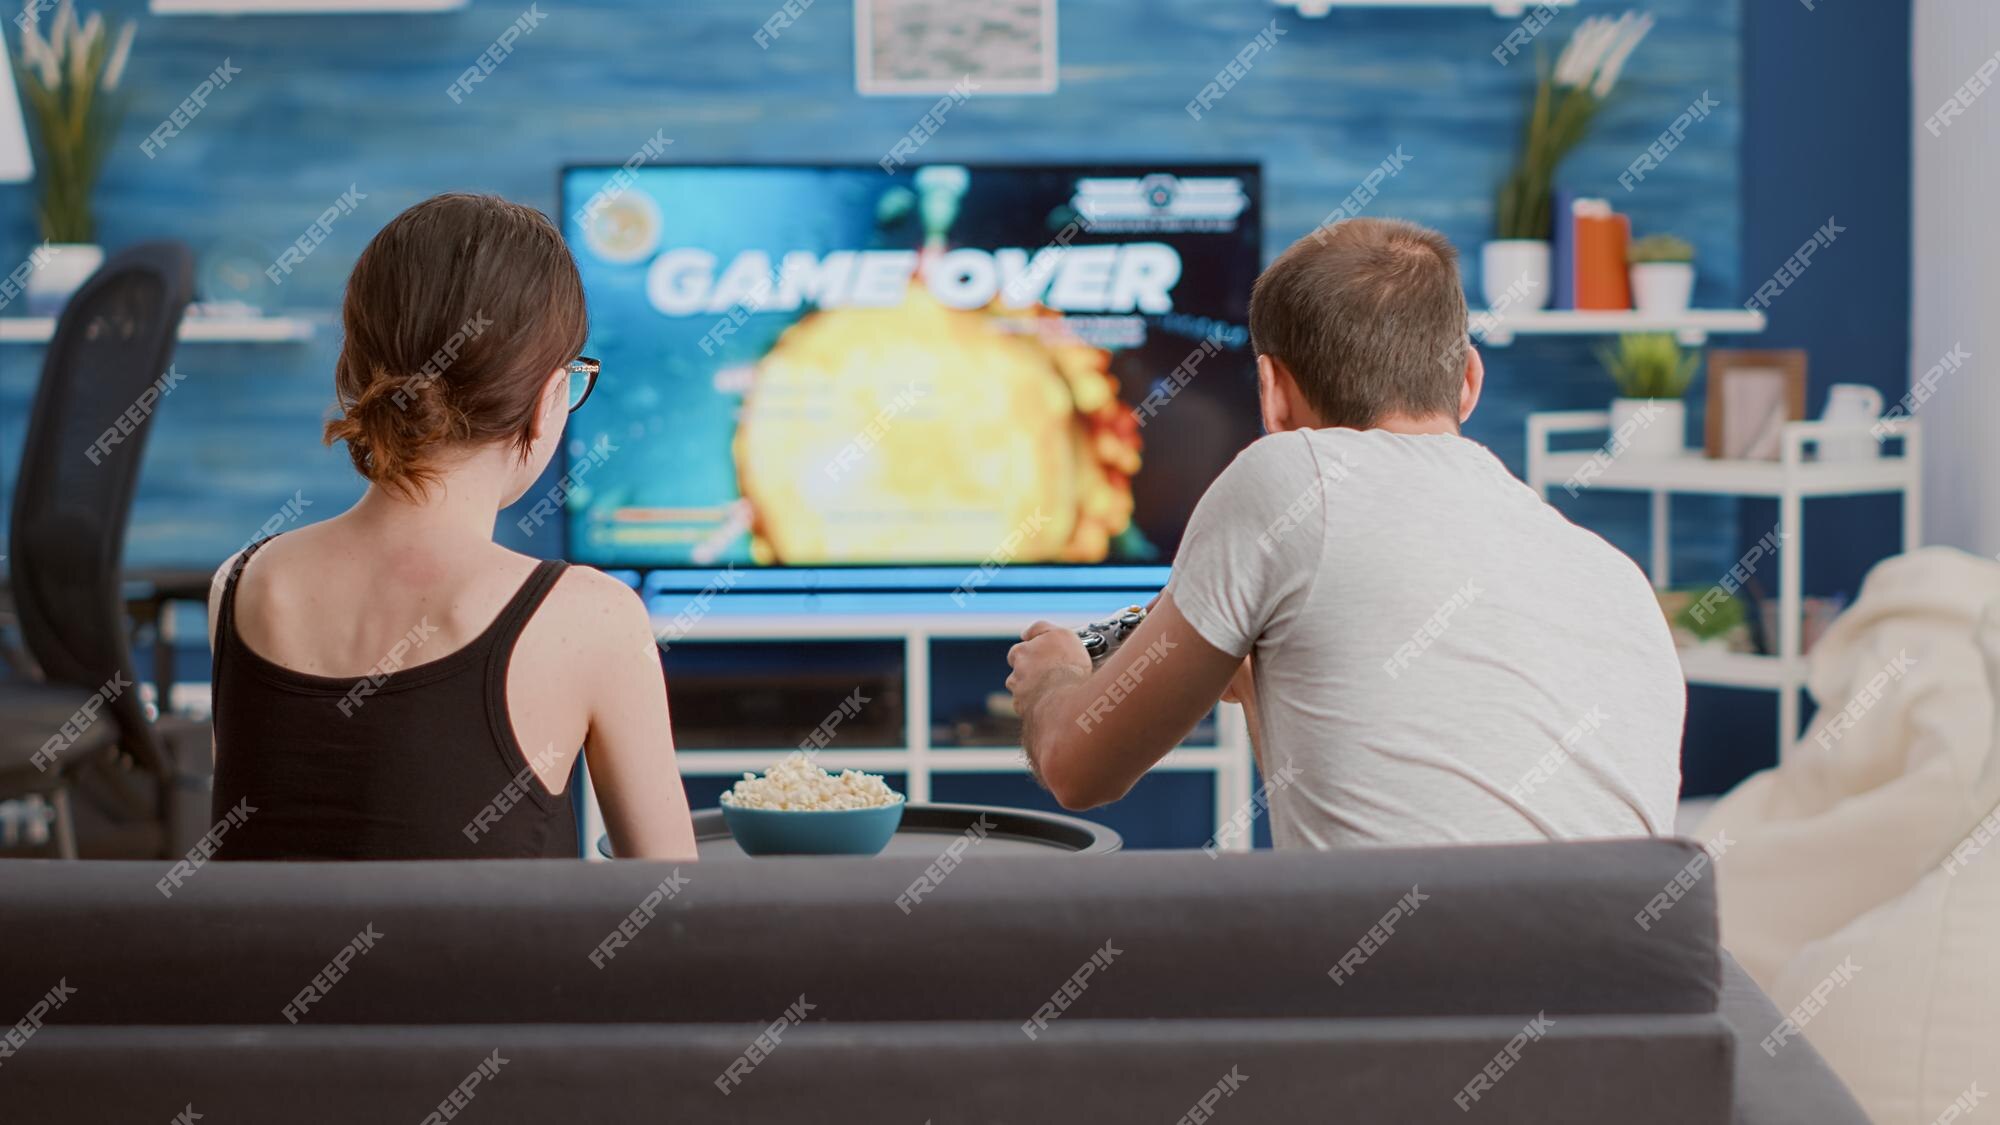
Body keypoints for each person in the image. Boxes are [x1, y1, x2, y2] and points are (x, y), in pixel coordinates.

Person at [1006, 218, 1683, 848]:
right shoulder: (1619, 578)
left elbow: (1079, 768)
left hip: (1406, 976)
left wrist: (1056, 676)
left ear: (1271, 390)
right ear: (1468, 381)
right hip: (1632, 971)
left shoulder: (1286, 476)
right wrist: (1260, 682)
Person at [207, 193, 696, 860]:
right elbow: (677, 912)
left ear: (354, 371)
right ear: (548, 399)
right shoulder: (594, 618)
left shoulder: (241, 585)